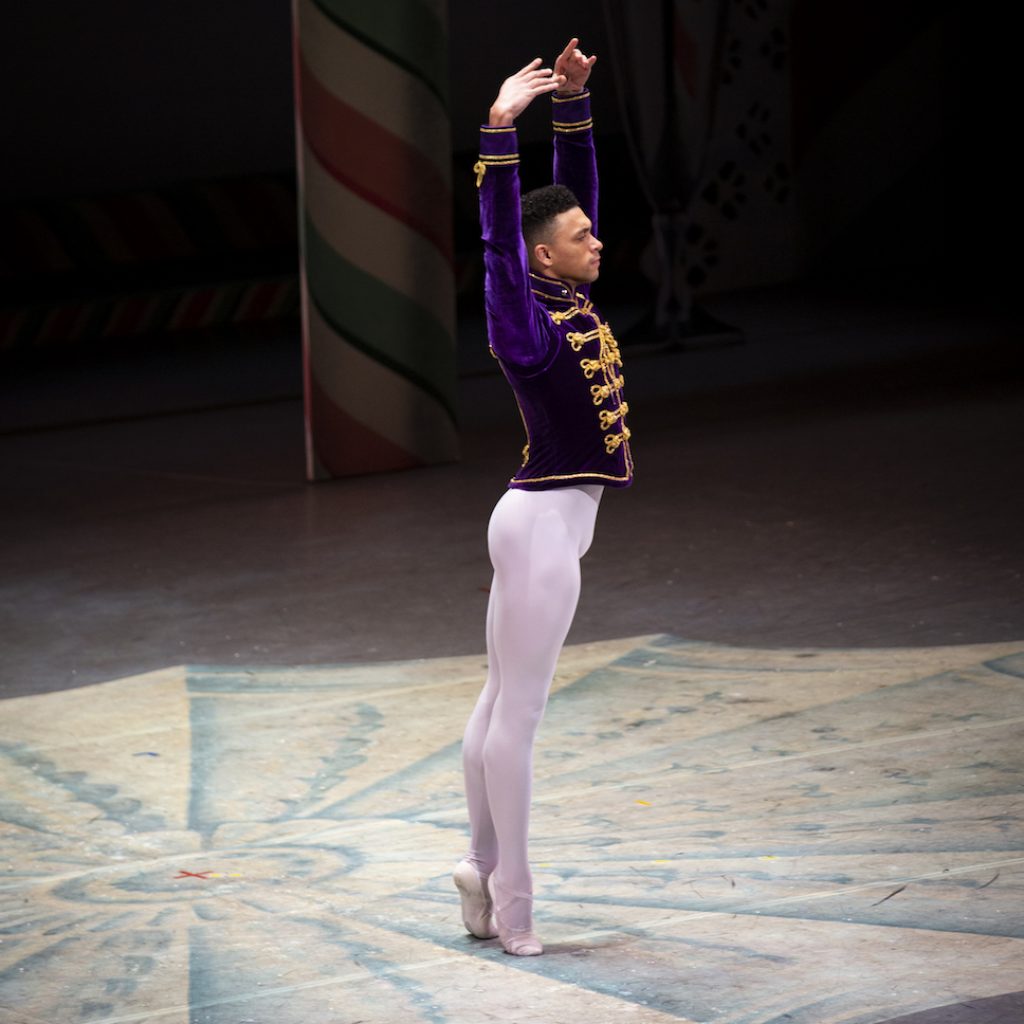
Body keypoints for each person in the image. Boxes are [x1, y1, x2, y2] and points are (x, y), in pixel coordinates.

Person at [454, 39, 634, 956]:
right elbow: (499, 238)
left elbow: (573, 203)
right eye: (581, 240)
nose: (596, 240)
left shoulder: (567, 293)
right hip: (543, 525)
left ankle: (480, 867)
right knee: (517, 715)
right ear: (542, 256)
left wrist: (573, 107)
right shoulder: (522, 317)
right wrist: (496, 133)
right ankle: (513, 904)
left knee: (495, 701)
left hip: (536, 520)